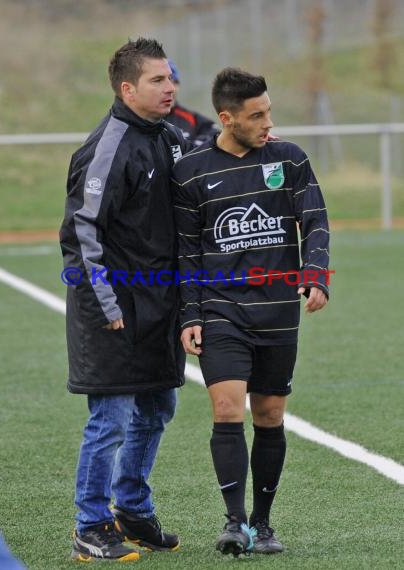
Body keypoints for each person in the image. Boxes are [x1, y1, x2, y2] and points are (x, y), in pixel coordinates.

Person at [172, 67, 329, 557]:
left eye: (268, 111)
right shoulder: (191, 171)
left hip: (279, 308)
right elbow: (187, 253)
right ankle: (234, 522)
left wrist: (315, 274)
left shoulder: (289, 158)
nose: (267, 122)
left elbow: (315, 220)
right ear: (227, 118)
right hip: (222, 309)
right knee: (226, 407)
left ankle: (263, 524)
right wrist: (190, 315)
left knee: (269, 413)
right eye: (255, 115)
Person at [59, 38, 193, 562]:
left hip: (160, 305)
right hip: (112, 308)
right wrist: (107, 306)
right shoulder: (107, 146)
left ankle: (131, 508)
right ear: (127, 87)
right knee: (110, 417)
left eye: (171, 78)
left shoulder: (172, 137)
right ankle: (90, 524)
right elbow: (81, 233)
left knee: (159, 404)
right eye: (158, 81)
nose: (170, 88)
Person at [166, 60, 220, 146]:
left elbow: (214, 131)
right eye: (165, 82)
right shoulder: (143, 120)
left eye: (175, 82)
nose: (172, 89)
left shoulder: (189, 117)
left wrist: (194, 147)